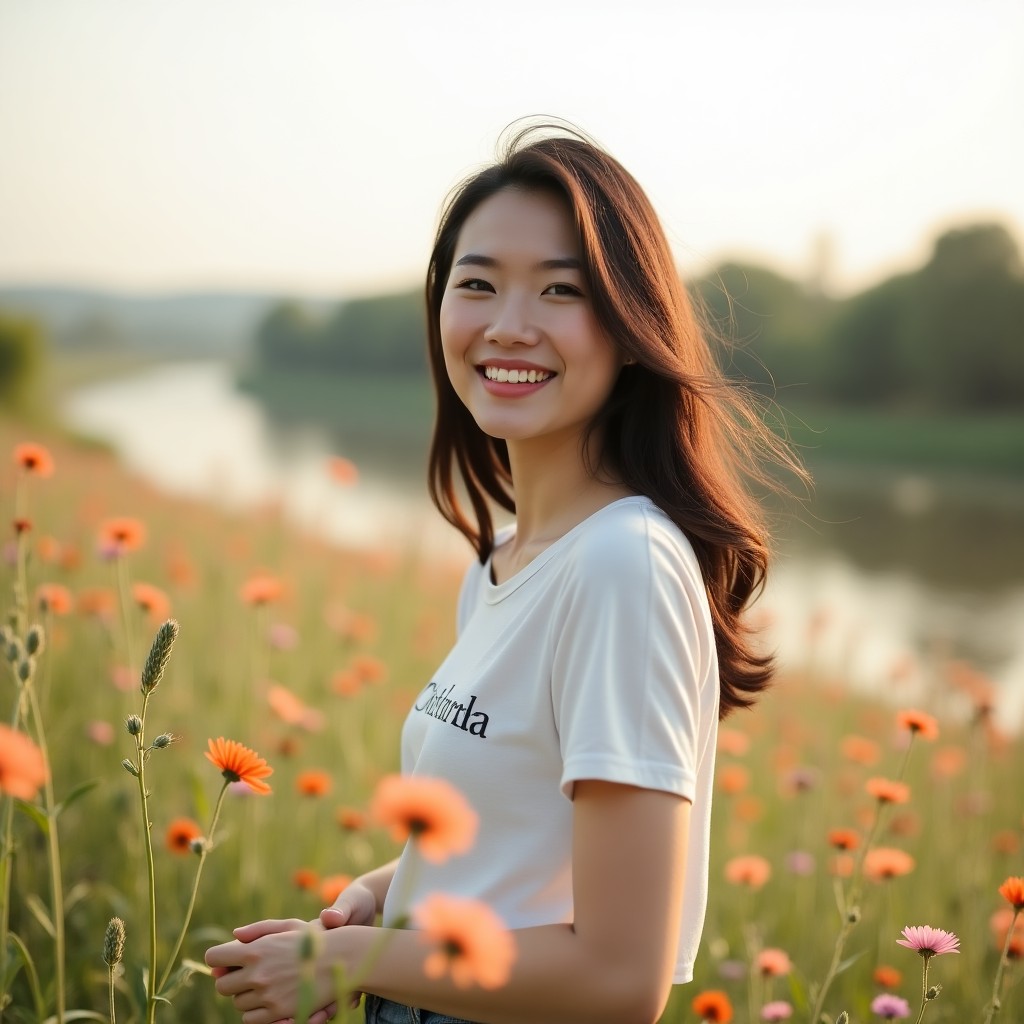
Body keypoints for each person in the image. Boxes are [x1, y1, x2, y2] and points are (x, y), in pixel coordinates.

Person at [206, 123, 800, 1024]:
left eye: (561, 290)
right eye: (476, 283)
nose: (508, 325)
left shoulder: (621, 567)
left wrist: (354, 958)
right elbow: (518, 846)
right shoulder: (508, 560)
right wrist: (381, 895)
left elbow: (617, 979)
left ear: (633, 327)